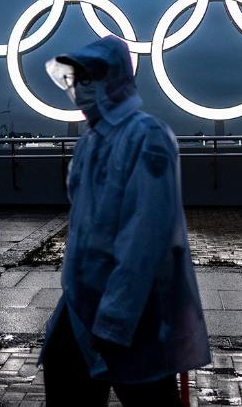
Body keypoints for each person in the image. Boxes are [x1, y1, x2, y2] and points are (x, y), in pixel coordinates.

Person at [39, 36, 210, 407]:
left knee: (147, 393)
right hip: (83, 300)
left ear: (112, 79)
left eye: (88, 79)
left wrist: (116, 317)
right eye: (76, 80)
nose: (79, 89)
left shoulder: (147, 136)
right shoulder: (91, 141)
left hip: (135, 306)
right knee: (68, 378)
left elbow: (147, 233)